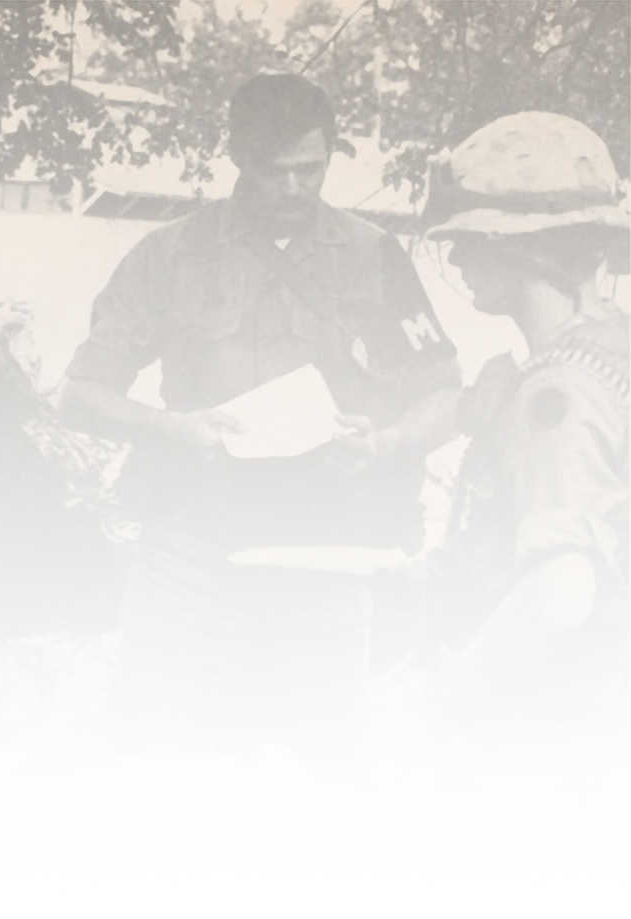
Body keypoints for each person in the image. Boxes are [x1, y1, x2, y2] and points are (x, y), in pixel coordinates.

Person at [59, 73, 463, 783]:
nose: (294, 187)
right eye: (275, 170)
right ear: (239, 157)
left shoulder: (373, 256)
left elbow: (445, 392)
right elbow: (80, 394)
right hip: (192, 572)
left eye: (312, 167)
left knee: (319, 806)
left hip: (323, 576)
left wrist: (384, 445)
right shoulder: (171, 256)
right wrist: (177, 427)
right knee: (148, 791)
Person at [415, 112, 628, 889]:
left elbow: (559, 596)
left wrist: (452, 689)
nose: (458, 256)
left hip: (536, 744)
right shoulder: (614, 349)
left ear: (519, 245)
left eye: (471, 238)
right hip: (600, 736)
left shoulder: (556, 394)